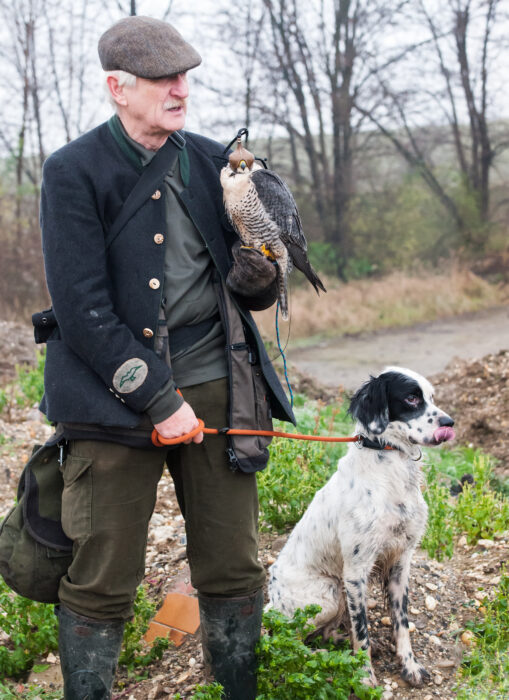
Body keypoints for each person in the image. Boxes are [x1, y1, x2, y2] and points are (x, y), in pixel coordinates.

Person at [38, 15, 295, 700]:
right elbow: (81, 311)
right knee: (102, 571)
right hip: (108, 394)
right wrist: (157, 398)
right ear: (118, 88)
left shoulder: (215, 163)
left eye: (184, 76)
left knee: (234, 563)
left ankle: (237, 690)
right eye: (161, 79)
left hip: (216, 381)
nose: (179, 90)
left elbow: (249, 289)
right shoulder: (73, 171)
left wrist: (260, 275)